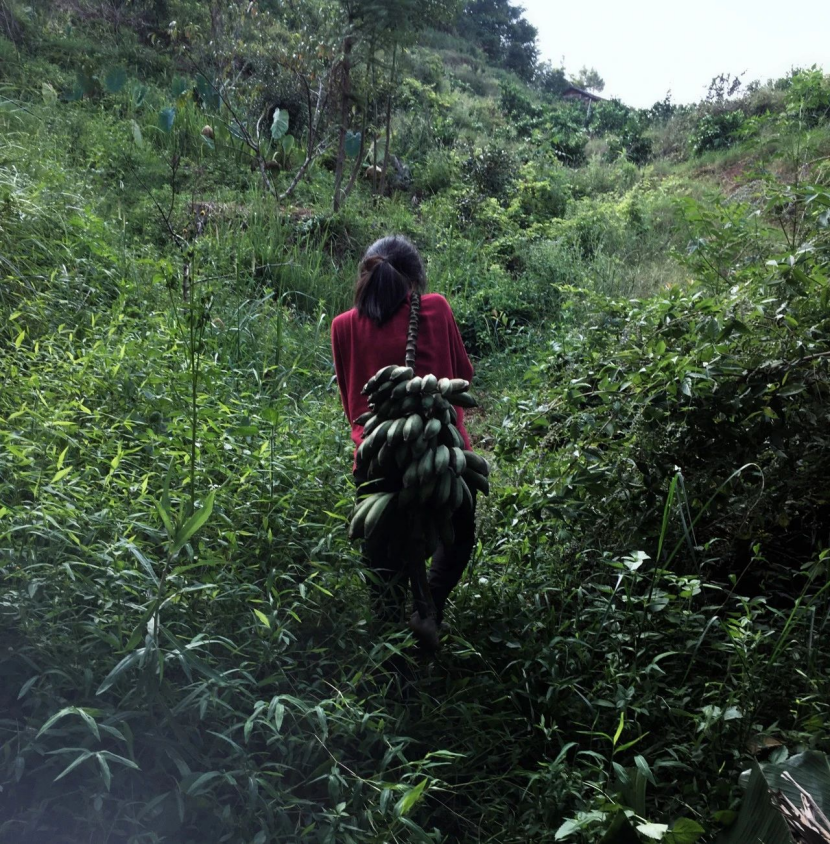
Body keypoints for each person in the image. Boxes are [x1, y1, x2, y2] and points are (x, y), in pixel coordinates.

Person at [331, 235, 476, 649]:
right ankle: (430, 606)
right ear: (415, 279)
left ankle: (391, 653)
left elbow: (352, 404)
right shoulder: (437, 307)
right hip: (446, 455)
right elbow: (464, 376)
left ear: (366, 277)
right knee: (460, 534)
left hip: (376, 463)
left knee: (381, 569)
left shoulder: (342, 326)